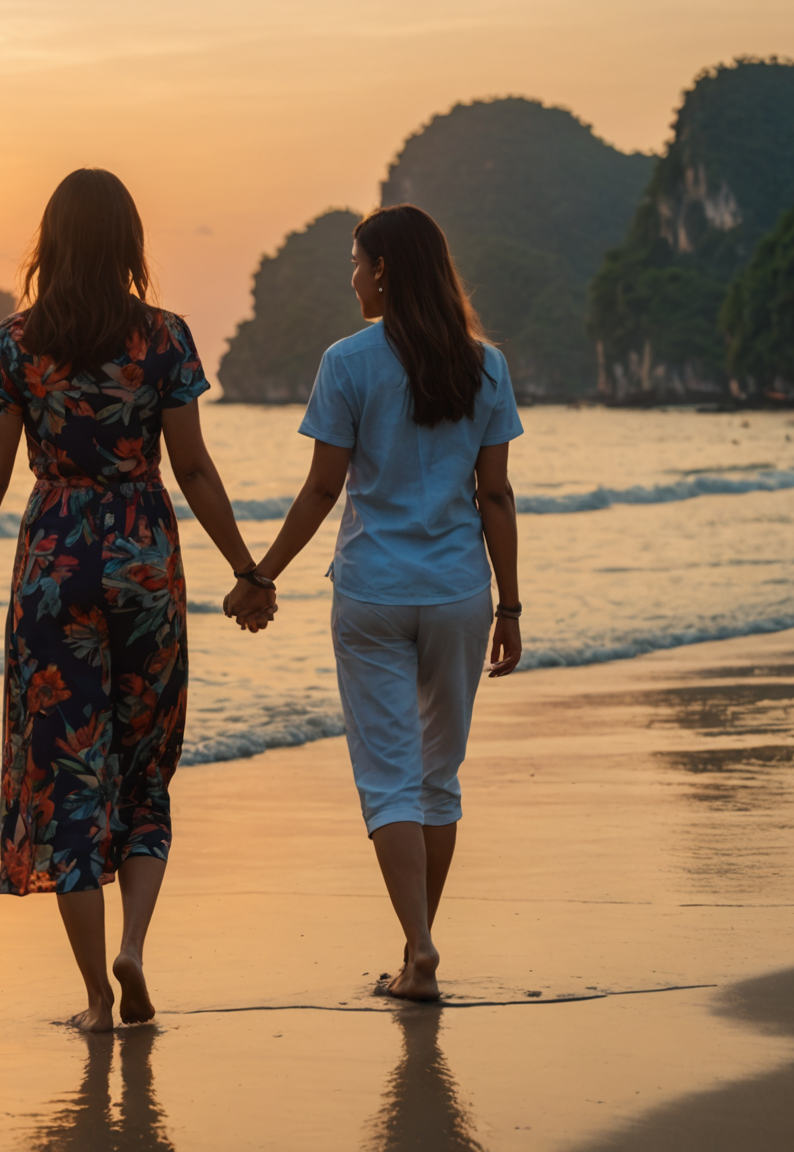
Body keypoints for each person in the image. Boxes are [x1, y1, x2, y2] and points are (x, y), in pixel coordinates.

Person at [0, 168, 273, 1032]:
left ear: (51, 242)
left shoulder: (14, 343)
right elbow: (192, 468)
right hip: (144, 561)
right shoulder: (164, 338)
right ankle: (136, 948)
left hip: (50, 565)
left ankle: (93, 998)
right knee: (145, 771)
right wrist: (248, 570)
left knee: (70, 777)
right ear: (128, 243)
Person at [224, 203, 523, 1001]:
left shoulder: (347, 362)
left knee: (389, 778)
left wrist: (263, 574)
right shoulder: (484, 365)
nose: (351, 278)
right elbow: (494, 495)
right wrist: (512, 608)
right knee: (439, 778)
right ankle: (417, 946)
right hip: (460, 592)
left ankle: (419, 948)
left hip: (372, 594)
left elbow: (325, 486)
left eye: (356, 263)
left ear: (383, 270)